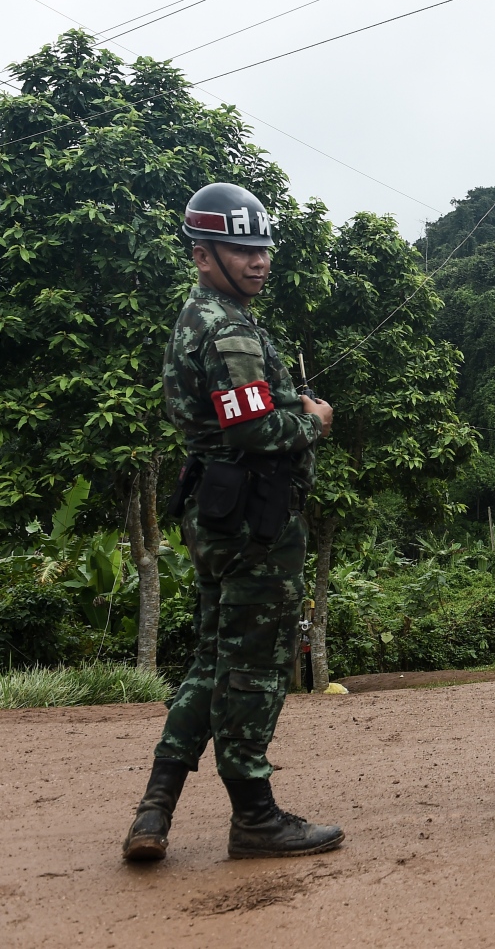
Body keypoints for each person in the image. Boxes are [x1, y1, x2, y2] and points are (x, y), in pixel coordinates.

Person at [122, 183, 341, 862]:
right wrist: (313, 420)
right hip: (255, 520)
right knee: (256, 665)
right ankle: (254, 816)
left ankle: (155, 807)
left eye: (263, 248)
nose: (259, 260)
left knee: (213, 658)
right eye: (241, 249)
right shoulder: (228, 328)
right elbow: (253, 429)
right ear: (203, 254)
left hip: (219, 512)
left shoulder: (197, 317)